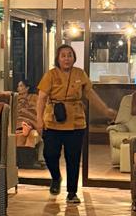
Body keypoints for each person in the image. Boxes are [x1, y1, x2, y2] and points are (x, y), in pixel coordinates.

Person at [36, 44, 115, 203]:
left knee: (73, 158)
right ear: (58, 59)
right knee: (49, 154)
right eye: (63, 55)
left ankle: (72, 193)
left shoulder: (80, 74)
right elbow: (41, 98)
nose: (67, 58)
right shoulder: (50, 75)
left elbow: (90, 94)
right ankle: (56, 177)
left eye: (70, 55)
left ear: (74, 58)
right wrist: (39, 119)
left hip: (76, 122)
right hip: (53, 121)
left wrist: (105, 110)